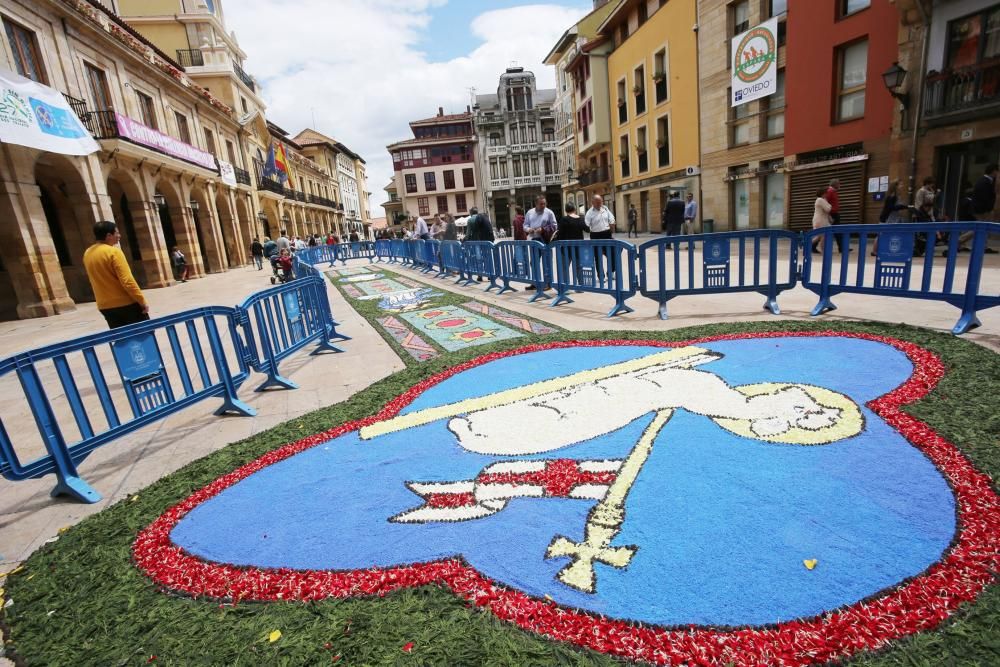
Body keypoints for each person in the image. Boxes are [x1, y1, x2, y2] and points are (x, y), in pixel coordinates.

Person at [82, 220, 150, 329]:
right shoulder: (114, 252)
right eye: (117, 233)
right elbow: (127, 281)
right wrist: (141, 301)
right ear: (109, 235)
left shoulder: (87, 253)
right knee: (143, 336)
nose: (119, 236)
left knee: (122, 340)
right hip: (126, 304)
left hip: (105, 306)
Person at [584, 195, 616, 284]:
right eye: (597, 202)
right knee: (598, 258)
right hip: (595, 235)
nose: (599, 204)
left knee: (613, 254)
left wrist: (612, 224)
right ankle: (601, 277)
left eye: (600, 202)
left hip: (607, 234)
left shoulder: (605, 208)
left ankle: (611, 272)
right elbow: (586, 224)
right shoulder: (589, 213)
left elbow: (612, 218)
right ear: (592, 203)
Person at [558, 202, 588, 283]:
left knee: (565, 268)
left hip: (566, 248)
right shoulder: (580, 219)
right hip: (578, 247)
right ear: (575, 209)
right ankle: (580, 285)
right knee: (578, 266)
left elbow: (560, 234)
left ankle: (566, 286)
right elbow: (587, 229)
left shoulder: (564, 219)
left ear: (566, 210)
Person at [824, 179, 846, 253]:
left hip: (834, 214)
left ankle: (842, 247)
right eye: (839, 184)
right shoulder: (830, 191)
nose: (840, 185)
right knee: (836, 231)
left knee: (837, 231)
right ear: (835, 184)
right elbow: (825, 202)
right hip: (832, 214)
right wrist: (828, 215)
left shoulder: (833, 191)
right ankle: (842, 248)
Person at [811, 187, 833, 254]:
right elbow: (828, 209)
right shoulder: (820, 200)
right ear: (823, 193)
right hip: (820, 220)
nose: (827, 194)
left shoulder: (821, 200)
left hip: (821, 220)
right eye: (826, 193)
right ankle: (823, 251)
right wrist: (830, 206)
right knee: (823, 236)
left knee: (819, 237)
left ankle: (806, 244)